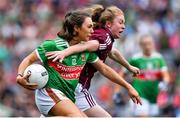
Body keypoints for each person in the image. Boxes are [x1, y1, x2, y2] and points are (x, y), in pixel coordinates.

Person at [16, 11, 141, 116]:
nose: (93, 31)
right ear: (76, 28)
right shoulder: (53, 45)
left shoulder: (86, 50)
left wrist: (128, 86)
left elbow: (105, 69)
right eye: (89, 27)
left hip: (67, 96)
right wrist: (20, 76)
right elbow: (29, 59)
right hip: (48, 93)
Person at [121, 34, 170, 117]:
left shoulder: (159, 58)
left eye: (149, 43)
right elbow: (122, 73)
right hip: (140, 94)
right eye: (145, 44)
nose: (147, 46)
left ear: (153, 44)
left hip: (153, 96)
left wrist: (164, 83)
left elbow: (166, 75)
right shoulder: (135, 59)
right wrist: (118, 90)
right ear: (140, 45)